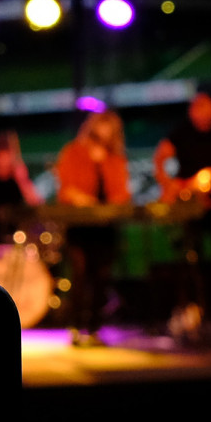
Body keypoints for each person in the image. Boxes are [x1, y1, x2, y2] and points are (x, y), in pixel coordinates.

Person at [55, 110, 131, 344]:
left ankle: (95, 328)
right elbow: (66, 188)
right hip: (79, 225)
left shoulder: (115, 158)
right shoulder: (73, 152)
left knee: (102, 276)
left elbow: (120, 192)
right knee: (79, 273)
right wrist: (80, 198)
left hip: (105, 226)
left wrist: (103, 165)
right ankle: (76, 326)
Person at [153, 91, 211, 267]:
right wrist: (167, 184)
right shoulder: (181, 132)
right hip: (189, 201)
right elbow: (160, 157)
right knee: (192, 250)